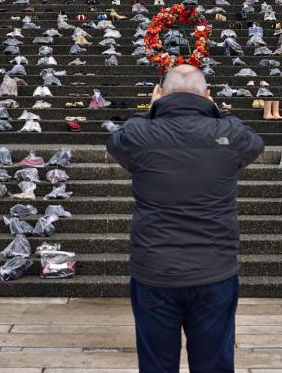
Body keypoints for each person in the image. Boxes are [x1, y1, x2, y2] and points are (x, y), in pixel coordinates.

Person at [106, 65, 265, 373]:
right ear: (207, 96)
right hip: (214, 271)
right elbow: (253, 143)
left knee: (156, 366)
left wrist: (151, 110)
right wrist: (215, 110)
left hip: (155, 272)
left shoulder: (141, 131)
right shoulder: (227, 131)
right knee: (214, 365)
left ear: (161, 94)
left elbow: (117, 142)